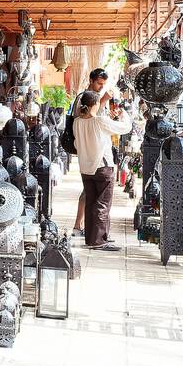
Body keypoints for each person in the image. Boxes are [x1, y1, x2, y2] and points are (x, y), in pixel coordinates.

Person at [73, 90, 132, 250]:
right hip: (102, 167)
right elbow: (125, 128)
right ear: (96, 104)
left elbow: (77, 145)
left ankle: (92, 239)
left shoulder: (77, 122)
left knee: (91, 202)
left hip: (85, 168)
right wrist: (123, 113)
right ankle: (98, 241)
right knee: (102, 203)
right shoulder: (99, 121)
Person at [67, 68, 109, 236]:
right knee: (88, 189)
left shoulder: (97, 97)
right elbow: (86, 118)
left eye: (103, 84)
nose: (101, 86)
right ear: (91, 80)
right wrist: (103, 102)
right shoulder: (84, 98)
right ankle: (79, 226)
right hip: (88, 148)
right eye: (99, 83)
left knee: (90, 189)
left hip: (95, 147)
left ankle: (84, 226)